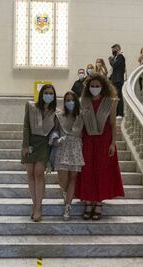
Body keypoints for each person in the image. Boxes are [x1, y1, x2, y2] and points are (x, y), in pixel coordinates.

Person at [75, 73, 125, 221]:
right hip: (87, 140)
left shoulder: (110, 102)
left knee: (101, 171)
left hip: (104, 140)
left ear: (103, 87)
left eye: (97, 86)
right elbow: (79, 123)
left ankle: (98, 203)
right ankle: (88, 202)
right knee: (87, 170)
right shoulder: (83, 101)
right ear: (87, 87)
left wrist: (113, 143)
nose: (94, 88)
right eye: (92, 86)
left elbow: (112, 124)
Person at [21, 84, 58, 222]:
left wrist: (55, 138)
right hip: (30, 142)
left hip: (44, 144)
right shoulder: (31, 107)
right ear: (41, 93)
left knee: (39, 173)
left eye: (51, 93)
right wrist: (25, 145)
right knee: (30, 173)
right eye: (46, 92)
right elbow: (26, 125)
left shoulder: (56, 112)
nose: (48, 95)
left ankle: (38, 208)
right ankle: (35, 204)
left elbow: (56, 130)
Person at [54, 91, 85, 221]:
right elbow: (55, 130)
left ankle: (68, 205)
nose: (69, 102)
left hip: (76, 147)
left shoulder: (81, 116)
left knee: (73, 178)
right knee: (62, 180)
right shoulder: (59, 115)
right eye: (67, 100)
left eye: (72, 100)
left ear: (76, 101)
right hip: (63, 146)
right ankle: (66, 196)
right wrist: (55, 139)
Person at [108, 44, 126, 117]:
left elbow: (115, 65)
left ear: (117, 49)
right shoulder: (116, 57)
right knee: (116, 96)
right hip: (115, 80)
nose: (112, 52)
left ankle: (120, 113)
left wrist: (110, 60)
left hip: (118, 80)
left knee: (119, 97)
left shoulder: (120, 57)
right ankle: (116, 112)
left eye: (113, 50)